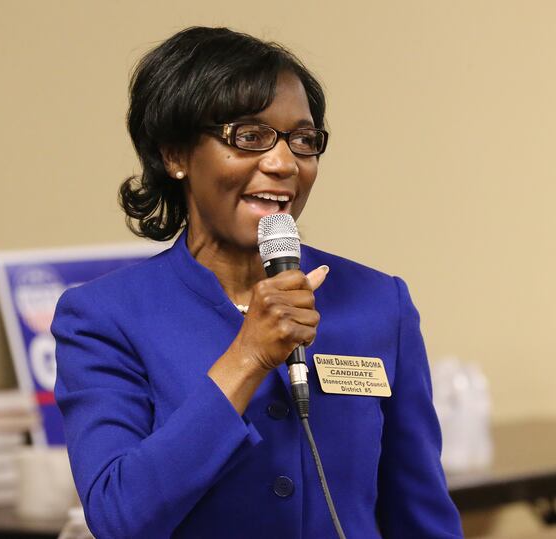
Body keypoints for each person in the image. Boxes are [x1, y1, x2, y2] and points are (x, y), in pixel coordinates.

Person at [51, 26, 463, 539]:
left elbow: (419, 514)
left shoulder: (378, 303)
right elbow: (119, 517)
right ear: (175, 154)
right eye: (249, 137)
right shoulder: (103, 316)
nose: (284, 162)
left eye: (303, 141)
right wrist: (247, 356)